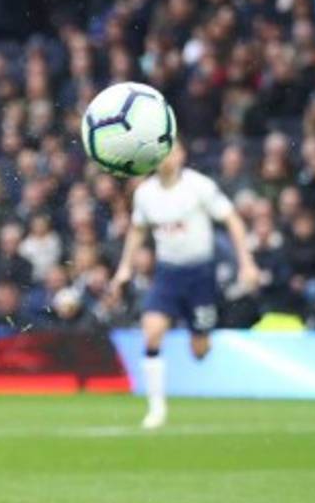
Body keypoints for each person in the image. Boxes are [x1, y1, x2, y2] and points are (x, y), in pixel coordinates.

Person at [111, 142, 259, 429]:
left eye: (171, 151)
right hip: (167, 273)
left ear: (182, 155)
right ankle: (156, 409)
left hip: (200, 275)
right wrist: (125, 268)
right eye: (161, 153)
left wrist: (247, 262)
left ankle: (202, 337)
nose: (166, 158)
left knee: (199, 350)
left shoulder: (199, 186)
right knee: (152, 333)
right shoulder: (145, 193)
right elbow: (137, 230)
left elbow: (232, 219)